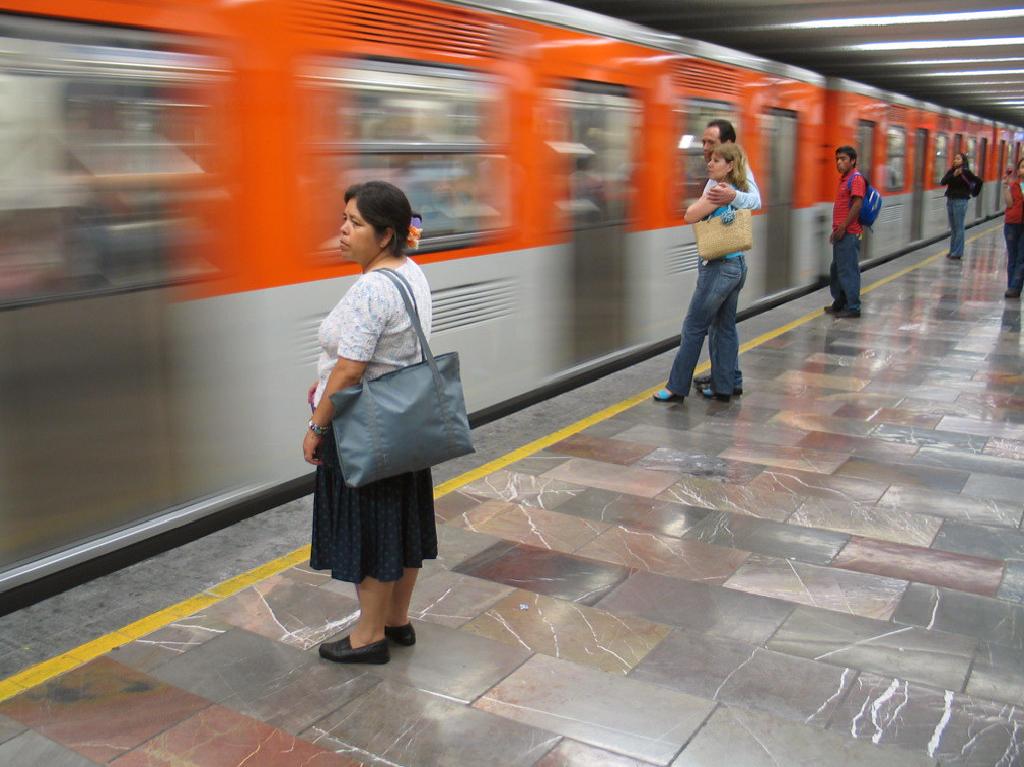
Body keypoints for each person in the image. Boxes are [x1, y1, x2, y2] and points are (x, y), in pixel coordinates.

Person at [303, 181, 435, 665]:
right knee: (400, 525)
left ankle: (368, 635)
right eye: (344, 218)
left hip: (366, 426)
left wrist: (317, 425)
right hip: (405, 424)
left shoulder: (371, 289)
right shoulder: (410, 272)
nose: (341, 230)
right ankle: (397, 621)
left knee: (373, 527)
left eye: (354, 223)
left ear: (383, 236)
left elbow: (351, 368)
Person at [654, 142, 750, 404]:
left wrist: (703, 199)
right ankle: (724, 387)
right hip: (738, 265)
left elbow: (690, 215)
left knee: (694, 326)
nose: (709, 163)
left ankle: (676, 387)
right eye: (711, 159)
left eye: (717, 160)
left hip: (718, 268)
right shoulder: (739, 190)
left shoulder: (719, 190)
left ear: (729, 166)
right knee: (725, 327)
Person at [693, 119, 760, 398]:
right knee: (723, 324)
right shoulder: (714, 172)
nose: (705, 148)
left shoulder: (737, 171)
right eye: (704, 142)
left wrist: (734, 196)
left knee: (710, 325)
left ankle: (726, 380)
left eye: (712, 142)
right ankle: (728, 376)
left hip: (724, 260)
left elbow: (756, 200)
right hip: (719, 257)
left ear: (729, 145)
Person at [826, 146, 864, 319]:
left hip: (848, 233)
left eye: (843, 159)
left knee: (848, 270)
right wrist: (836, 230)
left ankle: (853, 306)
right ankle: (840, 302)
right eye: (837, 159)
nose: (839, 162)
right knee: (838, 270)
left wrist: (842, 227)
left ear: (853, 160)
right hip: (841, 233)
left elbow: (857, 204)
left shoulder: (855, 179)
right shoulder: (844, 179)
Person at [940, 152, 981, 260]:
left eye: (958, 158)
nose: (955, 160)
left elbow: (978, 181)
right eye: (955, 158)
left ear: (963, 161)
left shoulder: (966, 172)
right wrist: (954, 175)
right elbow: (943, 182)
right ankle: (952, 251)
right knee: (953, 228)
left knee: (959, 227)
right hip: (950, 200)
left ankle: (958, 252)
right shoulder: (952, 171)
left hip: (960, 201)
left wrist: (974, 193)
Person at [1003, 157, 1024, 299]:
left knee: (1022, 258)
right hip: (1012, 223)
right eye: (1022, 166)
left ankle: (1015, 288)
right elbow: (1009, 204)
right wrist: (1005, 187)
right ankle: (1011, 286)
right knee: (1012, 256)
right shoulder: (1014, 185)